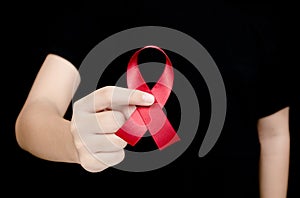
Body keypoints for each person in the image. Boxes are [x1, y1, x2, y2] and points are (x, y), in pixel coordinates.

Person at [15, 2, 292, 197]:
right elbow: (32, 118)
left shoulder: (259, 15)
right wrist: (72, 141)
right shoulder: (96, 9)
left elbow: (274, 134)